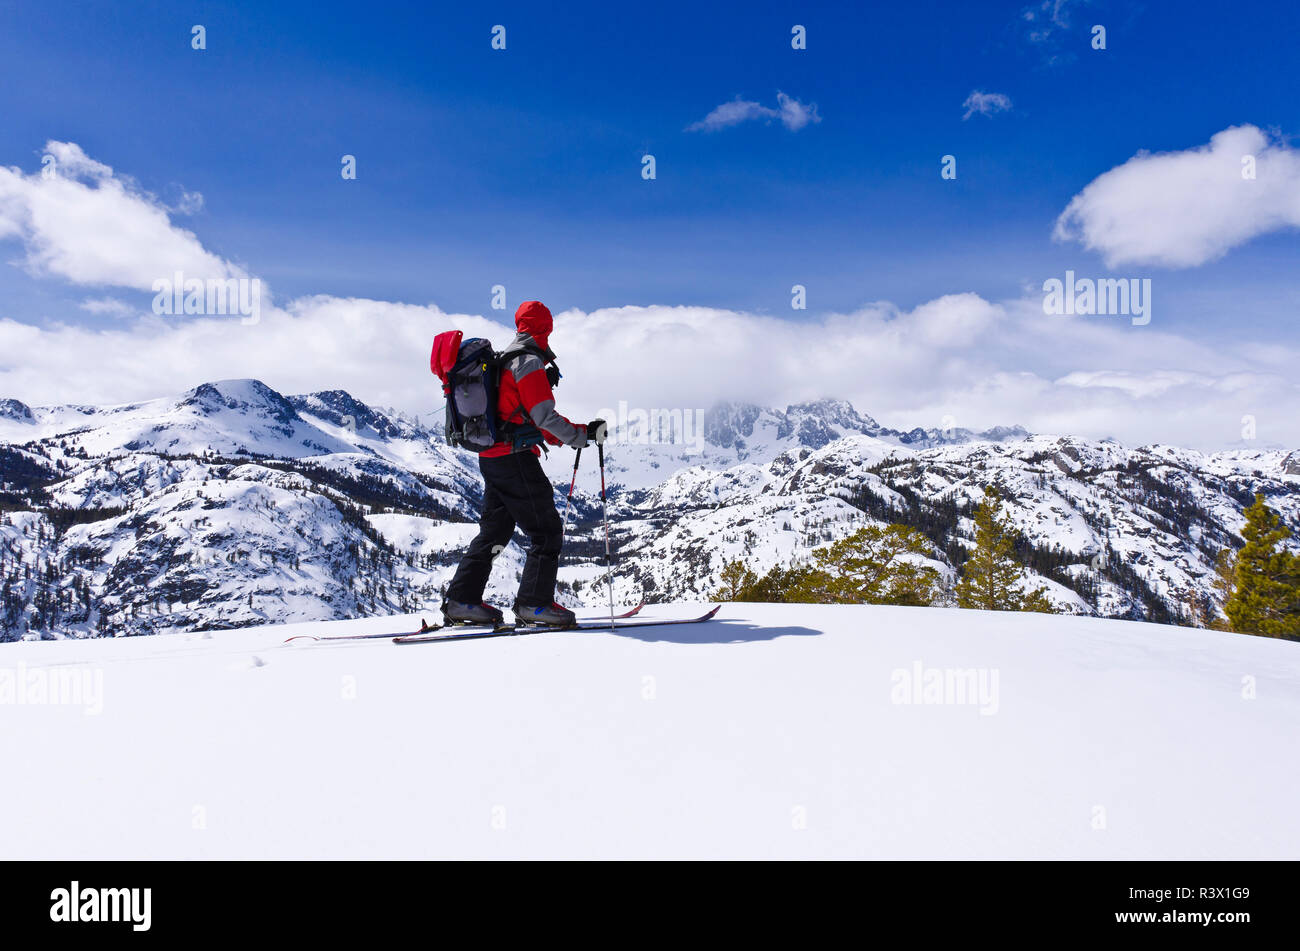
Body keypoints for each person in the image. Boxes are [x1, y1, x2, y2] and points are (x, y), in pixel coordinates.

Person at [442, 300, 606, 628]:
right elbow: (543, 417)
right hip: (514, 459)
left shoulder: (503, 360)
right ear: (546, 328)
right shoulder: (528, 362)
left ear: (520, 325)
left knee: (495, 532)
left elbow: (518, 411)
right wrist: (580, 435)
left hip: (490, 458)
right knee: (545, 531)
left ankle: (463, 599)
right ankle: (535, 604)